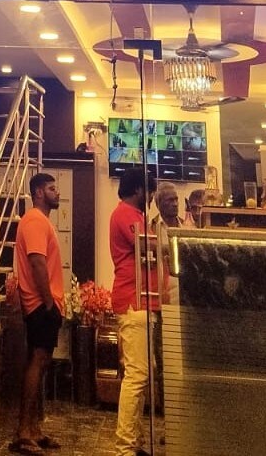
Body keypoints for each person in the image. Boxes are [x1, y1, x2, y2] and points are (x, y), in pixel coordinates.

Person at [11, 173, 65, 455]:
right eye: (52, 188)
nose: (58, 193)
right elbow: (37, 263)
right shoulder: (34, 220)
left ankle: (33, 429)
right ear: (39, 192)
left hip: (44, 303)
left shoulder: (41, 221)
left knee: (41, 363)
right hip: (40, 304)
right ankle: (23, 433)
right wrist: (48, 303)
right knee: (37, 361)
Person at [110, 168, 162, 456]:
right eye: (150, 191)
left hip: (143, 302)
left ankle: (135, 442)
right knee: (137, 376)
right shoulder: (125, 214)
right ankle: (125, 448)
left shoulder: (136, 216)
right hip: (133, 302)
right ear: (139, 190)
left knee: (142, 375)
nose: (152, 197)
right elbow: (148, 246)